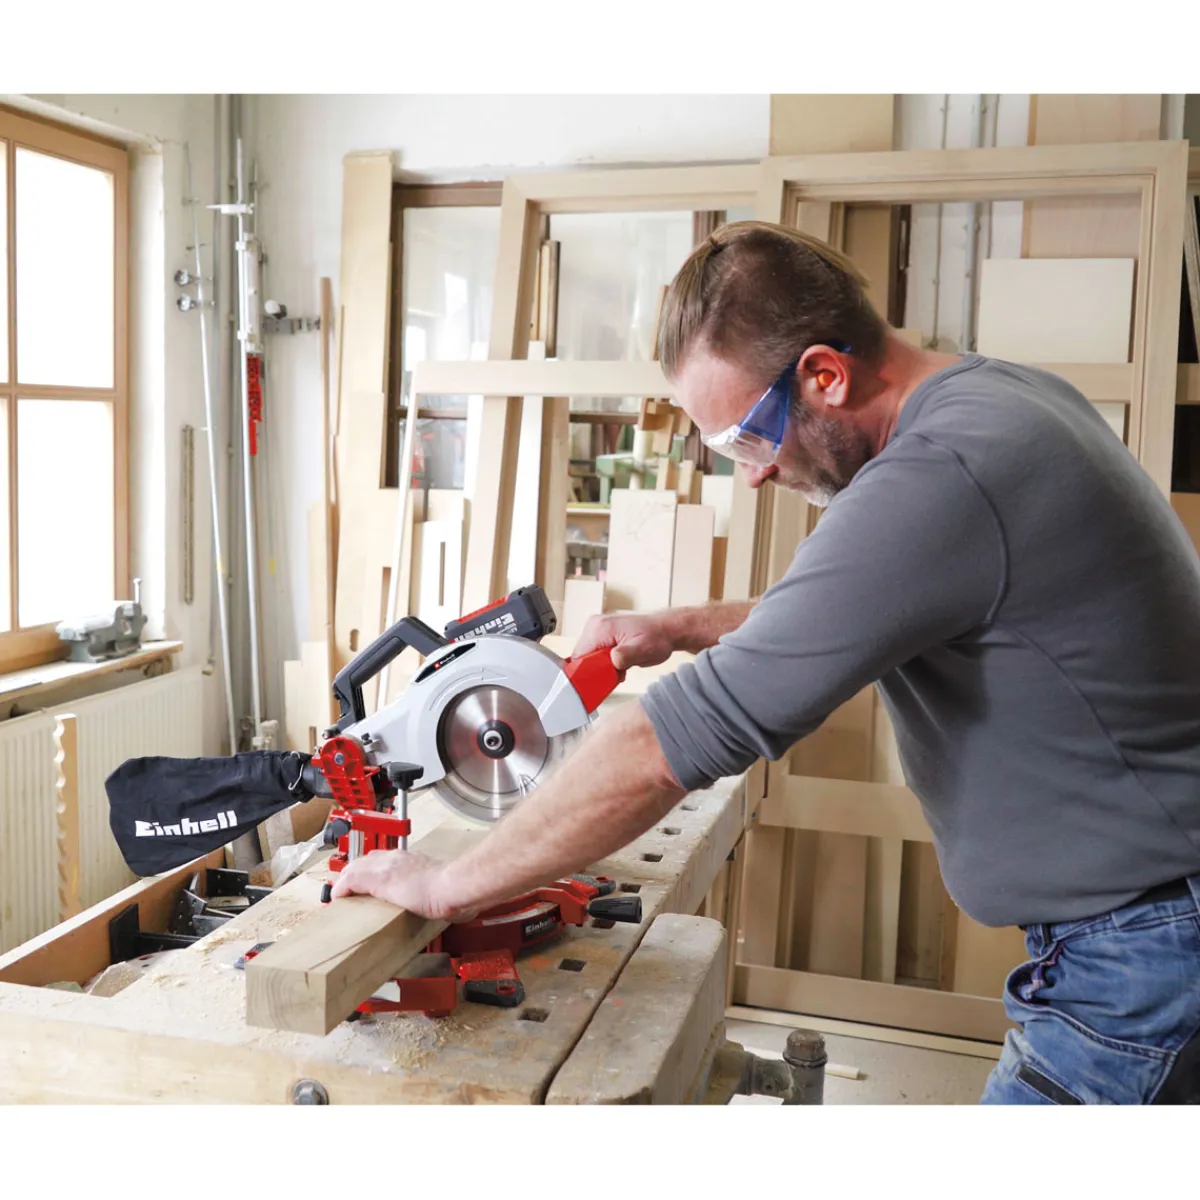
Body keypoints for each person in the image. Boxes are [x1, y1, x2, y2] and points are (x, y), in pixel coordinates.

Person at [332, 220, 1200, 1104]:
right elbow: (875, 607)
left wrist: (446, 884)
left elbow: (661, 747)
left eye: (749, 437)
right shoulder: (997, 399)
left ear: (826, 375)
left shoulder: (941, 471)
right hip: (1146, 928)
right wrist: (681, 627)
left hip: (1143, 955)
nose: (752, 474)